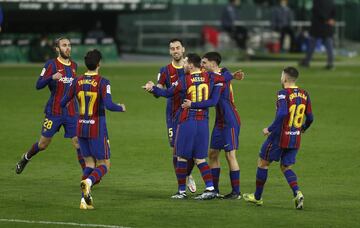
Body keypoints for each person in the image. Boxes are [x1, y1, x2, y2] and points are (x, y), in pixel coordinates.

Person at [143, 53, 239, 200]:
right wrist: (232, 75)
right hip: (203, 123)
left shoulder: (184, 80)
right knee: (200, 158)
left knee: (181, 157)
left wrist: (152, 88)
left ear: (191, 65)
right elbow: (221, 81)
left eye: (186, 63)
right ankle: (210, 188)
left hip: (187, 121)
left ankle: (181, 191)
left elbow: (168, 93)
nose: (184, 65)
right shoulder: (211, 77)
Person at [61, 49, 126, 209]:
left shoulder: (76, 81)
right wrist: (121, 107)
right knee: (104, 164)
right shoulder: (103, 82)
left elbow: (63, 102)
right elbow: (109, 105)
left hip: (80, 126)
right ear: (99, 63)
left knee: (89, 164)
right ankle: (89, 182)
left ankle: (84, 200)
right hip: (96, 127)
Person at [243, 67, 313, 209]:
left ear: (285, 79)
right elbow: (310, 118)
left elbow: (281, 114)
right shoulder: (305, 94)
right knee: (286, 167)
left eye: (281, 76)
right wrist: (302, 128)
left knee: (263, 163)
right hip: (295, 138)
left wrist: (269, 129)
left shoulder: (282, 93)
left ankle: (257, 197)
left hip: (279, 137)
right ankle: (297, 193)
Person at [15, 37, 85, 174]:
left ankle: (87, 177)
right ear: (57, 49)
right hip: (54, 112)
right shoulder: (50, 65)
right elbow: (38, 85)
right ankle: (26, 157)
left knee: (78, 142)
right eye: (64, 45)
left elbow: (74, 89)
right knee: (43, 144)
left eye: (69, 45)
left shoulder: (74, 66)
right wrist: (51, 77)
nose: (68, 48)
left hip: (71, 111)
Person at [182, 52, 243, 199]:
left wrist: (233, 75)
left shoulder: (224, 73)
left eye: (204, 62)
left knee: (230, 155)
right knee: (213, 154)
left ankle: (236, 192)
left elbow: (226, 75)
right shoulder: (208, 75)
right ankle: (213, 190)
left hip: (230, 119)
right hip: (220, 121)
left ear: (213, 63)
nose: (201, 65)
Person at [156, 39, 196, 194]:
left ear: (183, 49)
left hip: (190, 113)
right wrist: (152, 89)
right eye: (172, 48)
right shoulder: (164, 70)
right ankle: (183, 181)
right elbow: (159, 91)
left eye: (177, 48)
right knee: (176, 149)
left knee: (192, 150)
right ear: (169, 51)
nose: (175, 51)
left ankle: (188, 174)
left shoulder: (190, 68)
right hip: (172, 114)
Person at [299, 0, 336, 69]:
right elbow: (334, 12)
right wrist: (330, 19)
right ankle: (330, 63)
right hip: (327, 26)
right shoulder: (331, 1)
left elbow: (316, 11)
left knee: (311, 45)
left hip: (317, 26)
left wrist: (327, 19)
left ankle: (306, 62)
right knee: (329, 46)